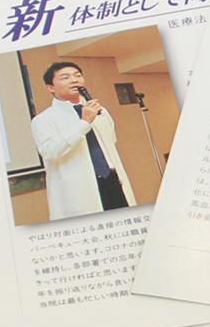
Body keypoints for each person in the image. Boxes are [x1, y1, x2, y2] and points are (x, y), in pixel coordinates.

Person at [30, 62, 137, 220]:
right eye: (65, 77)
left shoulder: (99, 111)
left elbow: (111, 141)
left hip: (113, 180)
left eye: (78, 75)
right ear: (50, 87)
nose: (74, 80)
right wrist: (84, 122)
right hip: (79, 189)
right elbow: (50, 152)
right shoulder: (43, 120)